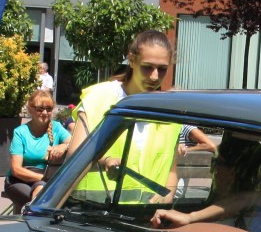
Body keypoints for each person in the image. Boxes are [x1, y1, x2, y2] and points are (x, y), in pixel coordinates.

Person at [65, 30, 181, 203]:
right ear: (132, 60)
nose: (155, 76)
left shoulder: (169, 113)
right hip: (93, 213)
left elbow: (171, 171)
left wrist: (167, 197)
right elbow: (74, 157)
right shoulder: (99, 98)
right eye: (147, 67)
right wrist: (106, 161)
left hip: (145, 219)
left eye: (162, 69)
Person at [5, 88, 70, 210]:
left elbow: (72, 142)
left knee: (43, 190)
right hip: (19, 179)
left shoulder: (56, 127)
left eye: (49, 109)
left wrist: (63, 146)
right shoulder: (20, 132)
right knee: (41, 191)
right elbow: (16, 170)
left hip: (45, 179)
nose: (45, 113)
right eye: (40, 109)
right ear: (30, 109)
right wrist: (45, 179)